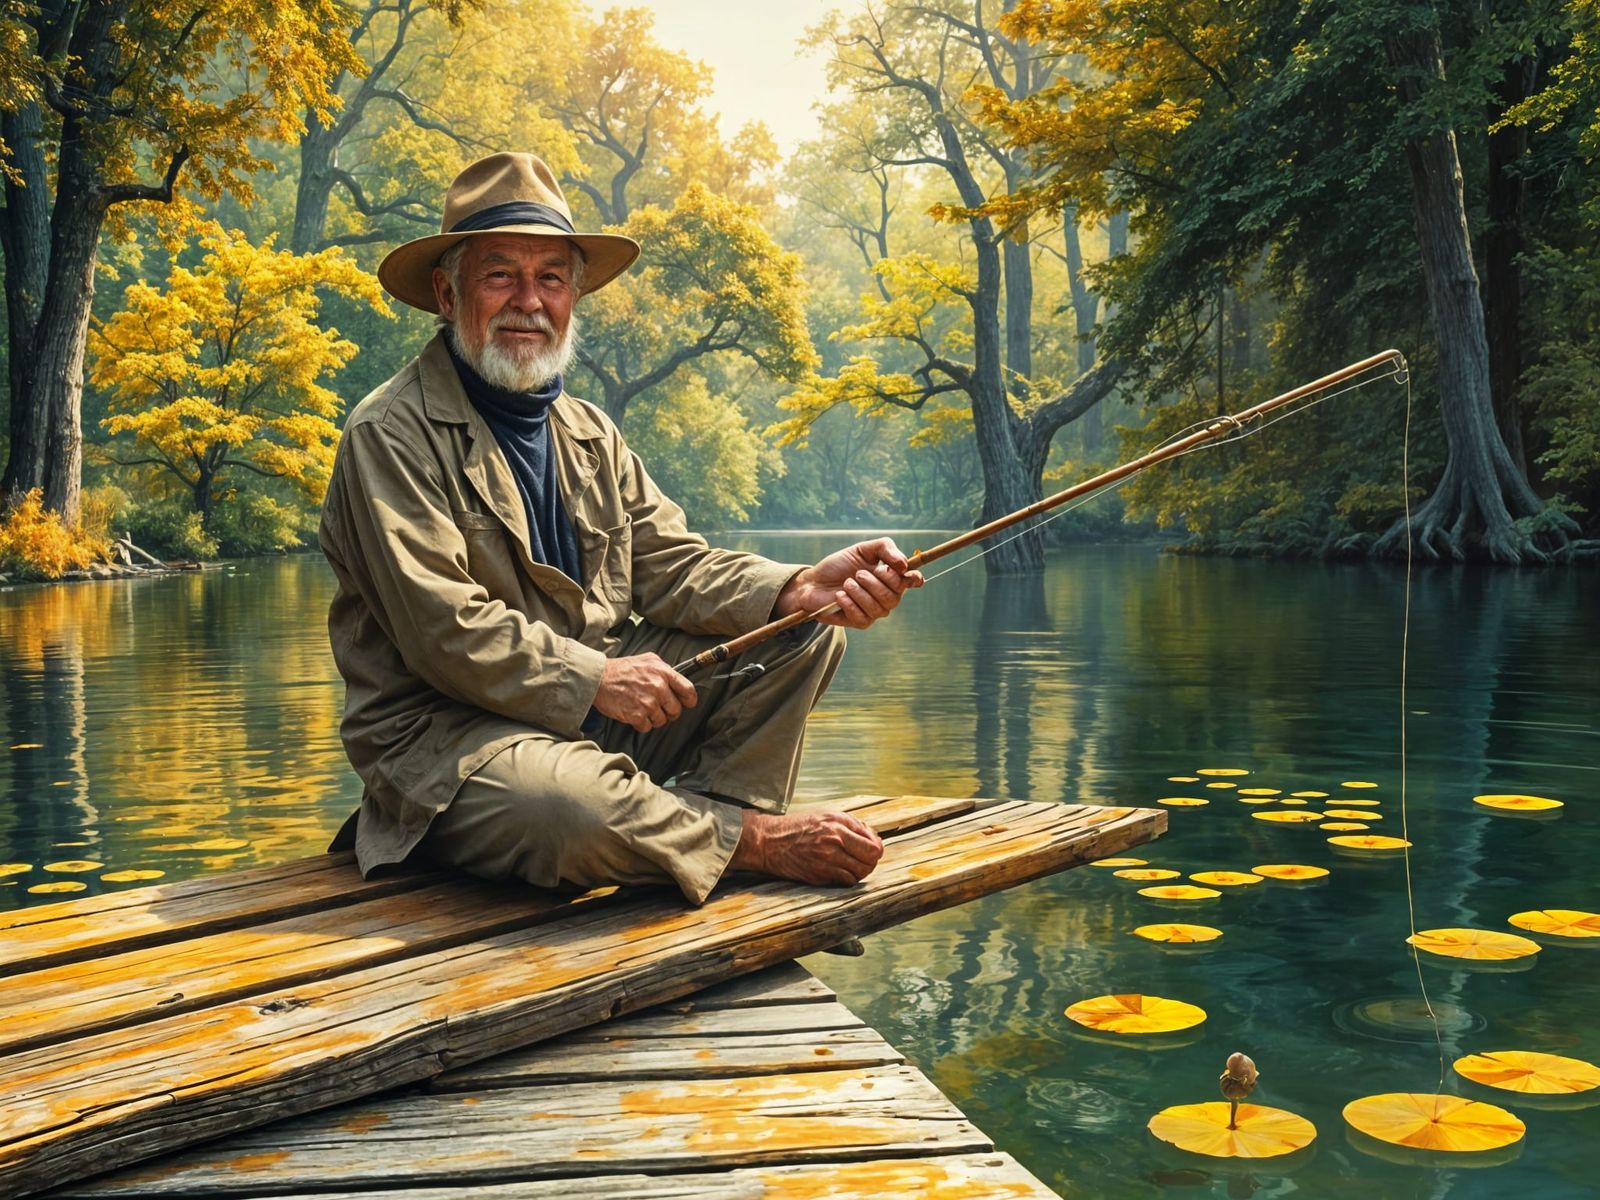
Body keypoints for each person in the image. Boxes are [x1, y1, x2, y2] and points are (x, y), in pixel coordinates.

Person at [319, 152, 922, 905]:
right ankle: (744, 841)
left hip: (590, 723)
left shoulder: (589, 431)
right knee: (561, 810)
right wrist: (597, 678)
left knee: (804, 630)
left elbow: (675, 570)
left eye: (551, 279)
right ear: (447, 293)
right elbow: (445, 631)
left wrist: (799, 586)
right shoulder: (389, 433)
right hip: (452, 746)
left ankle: (678, 835)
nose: (528, 301)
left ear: (573, 296)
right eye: (500, 275)